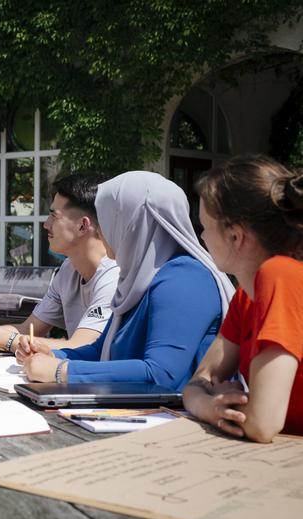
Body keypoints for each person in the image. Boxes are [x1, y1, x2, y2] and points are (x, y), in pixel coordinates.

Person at [16, 171, 234, 390]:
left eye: (106, 218)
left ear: (132, 222)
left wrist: (61, 370)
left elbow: (162, 375)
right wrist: (53, 354)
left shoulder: (185, 279)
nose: (100, 230)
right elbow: (102, 351)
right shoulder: (138, 277)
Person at [183, 155, 303, 442]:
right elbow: (198, 381)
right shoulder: (246, 296)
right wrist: (209, 406)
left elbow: (261, 424)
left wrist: (218, 405)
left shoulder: (280, 275)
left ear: (235, 236)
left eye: (205, 227)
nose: (202, 237)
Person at [0, 173, 119, 351]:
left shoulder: (115, 275)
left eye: (54, 217)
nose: (45, 224)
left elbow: (82, 347)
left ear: (83, 226)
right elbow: (28, 330)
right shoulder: (69, 269)